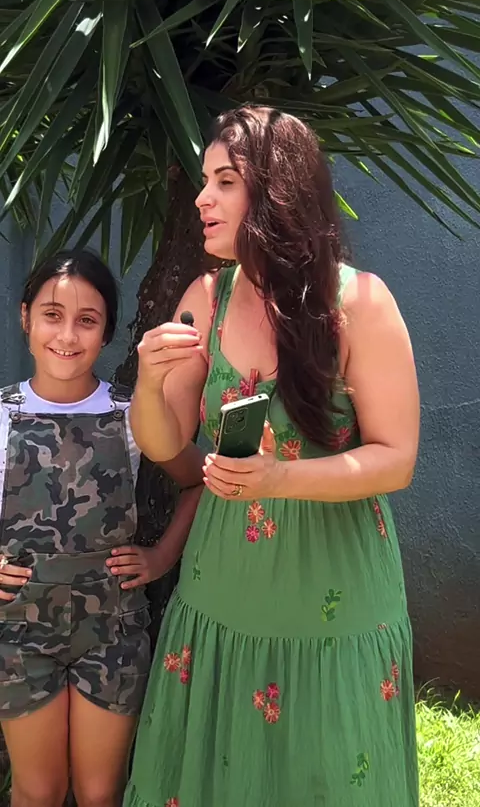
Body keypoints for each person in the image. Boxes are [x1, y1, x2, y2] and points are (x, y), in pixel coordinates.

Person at [124, 106, 421, 807]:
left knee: (328, 771)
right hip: (223, 587)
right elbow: (165, 443)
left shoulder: (362, 303)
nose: (202, 199)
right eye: (205, 181)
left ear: (279, 191)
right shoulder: (206, 297)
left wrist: (280, 476)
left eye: (225, 181)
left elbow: (397, 460)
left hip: (334, 596)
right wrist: (149, 383)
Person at [0, 250, 203, 807]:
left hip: (112, 631)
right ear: (25, 317)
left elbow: (198, 481)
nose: (67, 335)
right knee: (37, 790)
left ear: (108, 332)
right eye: (52, 314)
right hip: (18, 633)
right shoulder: (3, 415)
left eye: (87, 320)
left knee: (99, 792)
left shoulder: (132, 415)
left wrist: (161, 557)